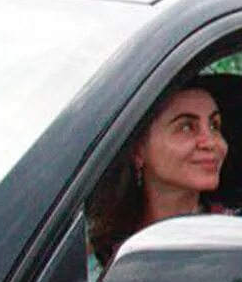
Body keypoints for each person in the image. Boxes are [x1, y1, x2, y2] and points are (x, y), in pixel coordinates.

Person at [88, 80, 231, 267]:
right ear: (138, 150)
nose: (211, 142)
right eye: (186, 127)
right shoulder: (96, 250)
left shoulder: (238, 237)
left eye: (214, 126)